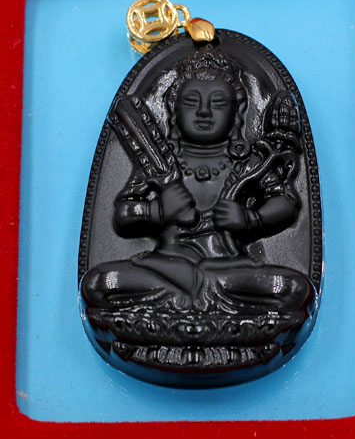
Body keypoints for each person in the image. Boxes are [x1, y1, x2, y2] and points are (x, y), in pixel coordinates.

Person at [81, 44, 314, 317]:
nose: (204, 111)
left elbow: (285, 201)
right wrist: (156, 211)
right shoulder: (160, 164)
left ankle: (184, 302)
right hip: (164, 266)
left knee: (291, 289)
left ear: (238, 110)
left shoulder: (248, 162)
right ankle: (204, 304)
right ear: (173, 107)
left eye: (218, 103)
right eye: (191, 102)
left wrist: (251, 219)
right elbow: (123, 214)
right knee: (100, 283)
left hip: (229, 268)